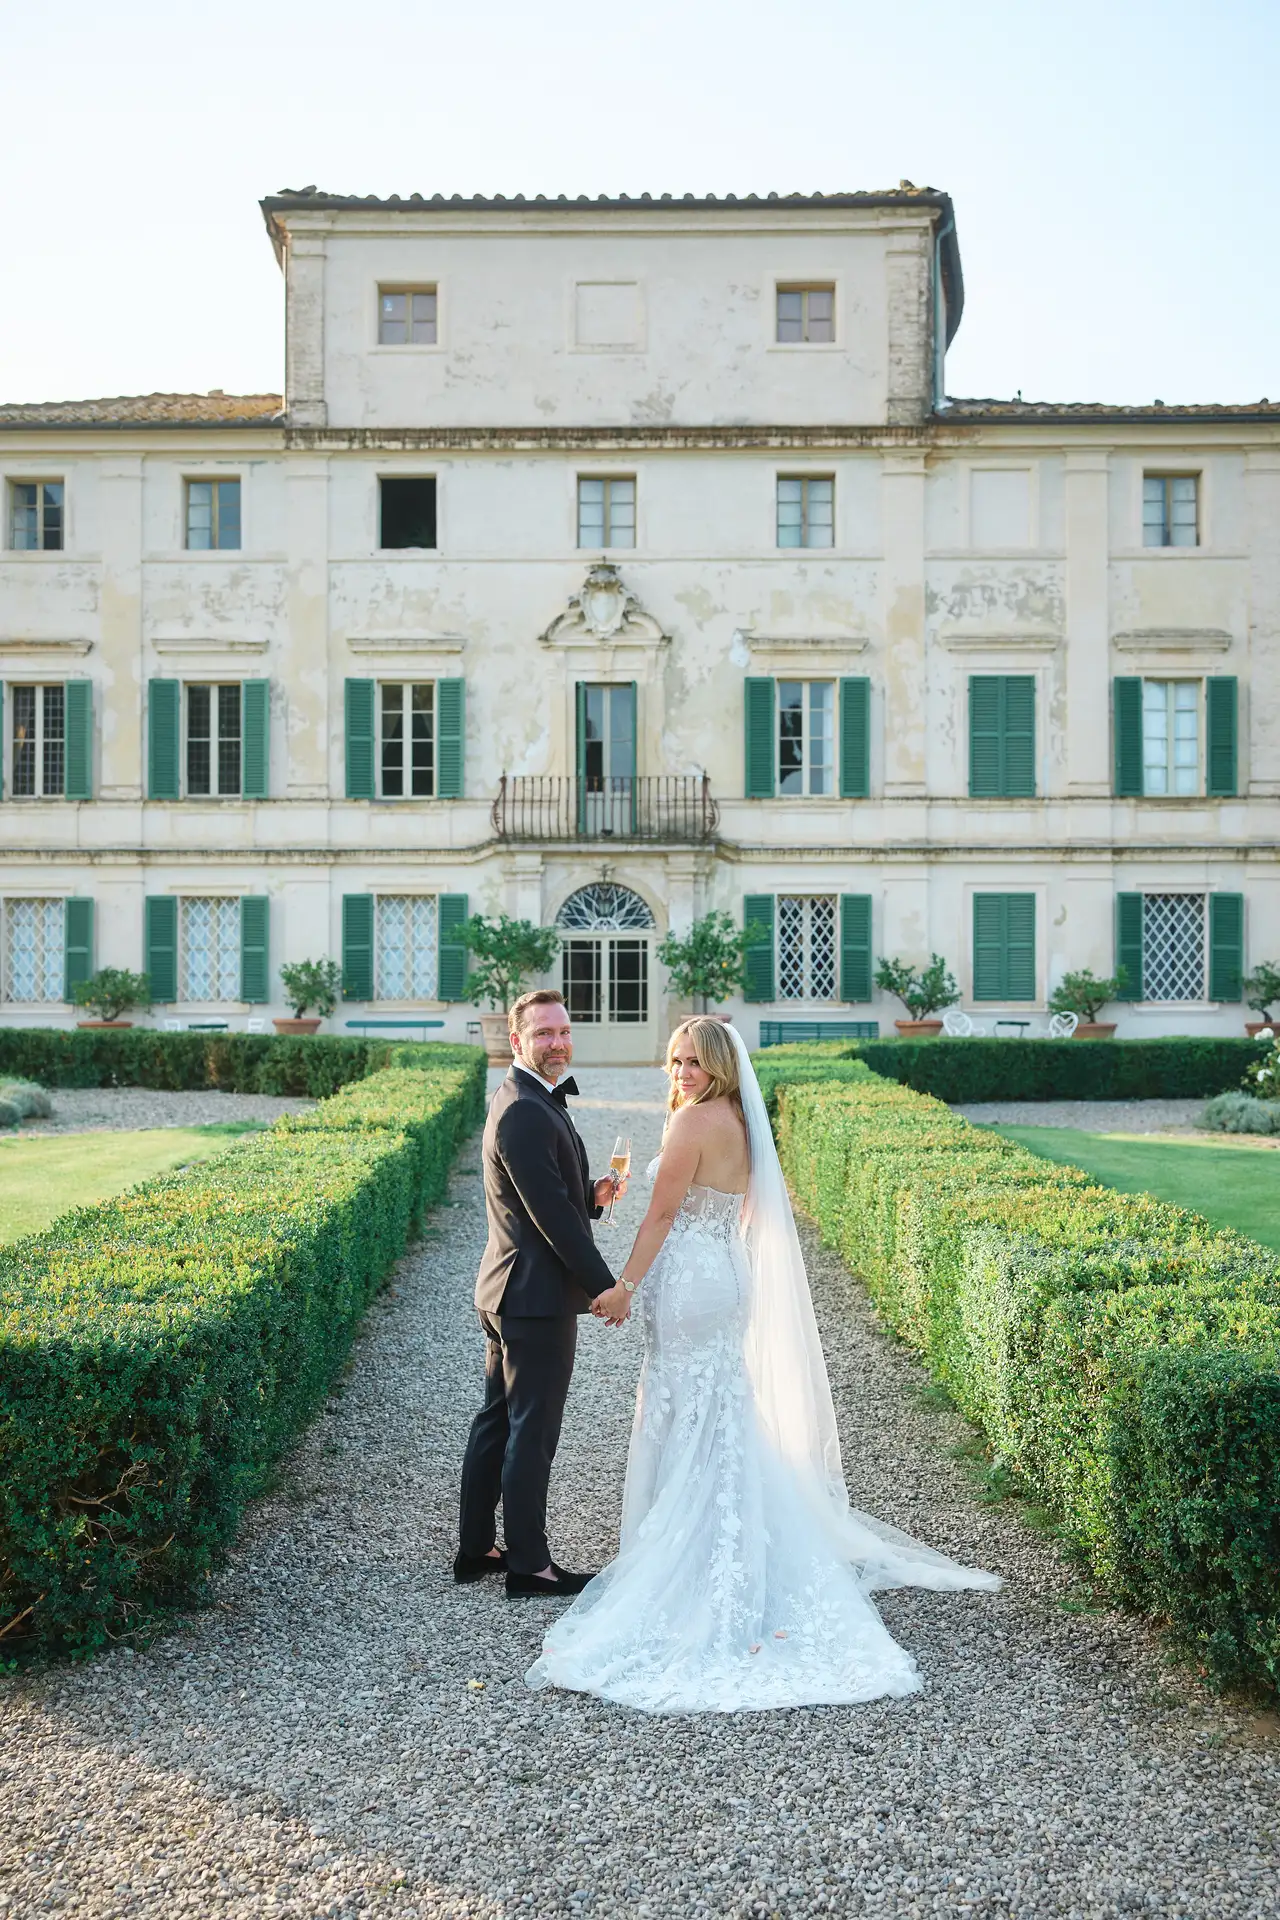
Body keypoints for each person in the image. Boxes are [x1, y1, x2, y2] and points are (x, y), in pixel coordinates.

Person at [525, 1016, 1000, 1712]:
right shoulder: (742, 1121)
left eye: (693, 1060)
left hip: (689, 1279)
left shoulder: (691, 1124)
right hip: (722, 1275)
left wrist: (623, 1285)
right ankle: (736, 1542)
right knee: (719, 1408)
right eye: (675, 1059)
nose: (681, 1071)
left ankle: (687, 1563)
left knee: (685, 1406)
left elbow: (659, 1218)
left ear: (717, 1063)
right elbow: (740, 1212)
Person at [456, 989, 627, 1599]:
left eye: (564, 1031)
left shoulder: (523, 1097)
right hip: (533, 1297)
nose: (558, 1042)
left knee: (498, 1421)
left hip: (507, 1286)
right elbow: (550, 1217)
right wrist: (608, 1287)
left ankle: (476, 1549)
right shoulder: (525, 1109)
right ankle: (529, 1566)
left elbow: (547, 1194)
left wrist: (591, 1195)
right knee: (532, 1429)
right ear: (517, 1038)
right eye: (544, 1033)